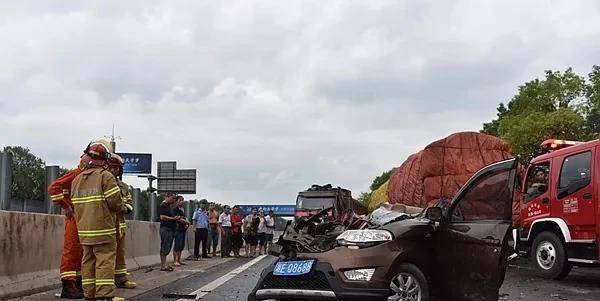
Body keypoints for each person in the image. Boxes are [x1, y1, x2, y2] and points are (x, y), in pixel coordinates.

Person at [47, 140, 111, 299]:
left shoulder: (88, 176)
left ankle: (76, 283)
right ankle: (68, 285)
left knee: (81, 253)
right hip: (75, 219)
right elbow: (53, 187)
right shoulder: (76, 174)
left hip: (83, 219)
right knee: (72, 250)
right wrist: (66, 206)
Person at [71, 142, 125, 301]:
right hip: (103, 230)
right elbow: (115, 202)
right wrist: (123, 207)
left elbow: (75, 204)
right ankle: (104, 295)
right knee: (105, 262)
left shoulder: (76, 180)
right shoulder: (105, 176)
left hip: (84, 230)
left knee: (87, 262)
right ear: (104, 160)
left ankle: (89, 294)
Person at [106, 154, 136, 289]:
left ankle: (121, 279)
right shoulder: (102, 182)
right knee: (106, 256)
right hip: (105, 225)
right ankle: (106, 282)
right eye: (111, 167)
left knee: (120, 254)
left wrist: (124, 208)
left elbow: (129, 203)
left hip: (120, 225)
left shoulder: (124, 186)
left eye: (116, 168)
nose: (113, 170)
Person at [159, 192, 181, 271]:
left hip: (170, 230)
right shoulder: (163, 205)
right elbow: (162, 217)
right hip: (166, 229)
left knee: (167, 247)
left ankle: (164, 265)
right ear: (167, 197)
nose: (174, 200)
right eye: (173, 198)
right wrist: (173, 219)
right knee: (165, 247)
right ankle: (163, 266)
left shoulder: (169, 207)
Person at [173, 196, 190, 266]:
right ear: (176, 201)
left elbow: (185, 218)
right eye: (180, 200)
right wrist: (186, 222)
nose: (182, 201)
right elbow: (178, 219)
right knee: (177, 245)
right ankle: (175, 260)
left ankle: (179, 260)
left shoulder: (183, 210)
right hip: (177, 229)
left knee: (181, 245)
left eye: (183, 200)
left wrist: (186, 223)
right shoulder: (175, 209)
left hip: (183, 229)